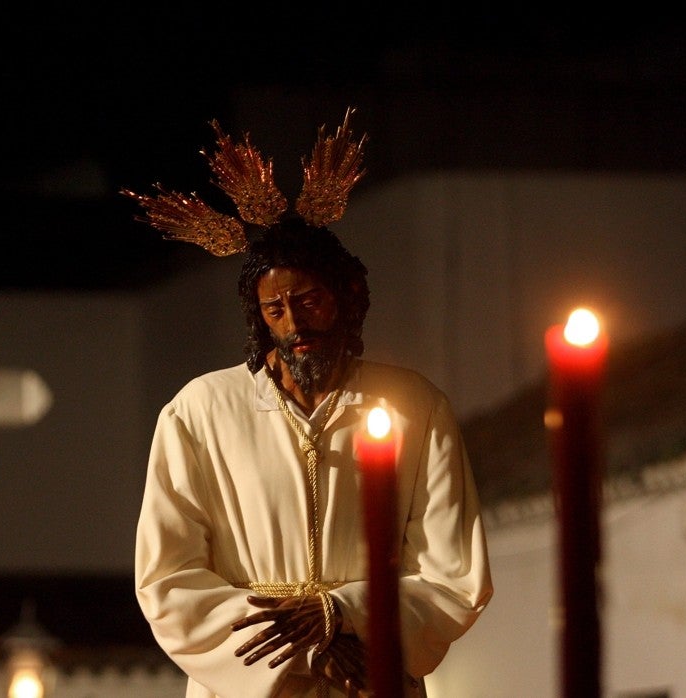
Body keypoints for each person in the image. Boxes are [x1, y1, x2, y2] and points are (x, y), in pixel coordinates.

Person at [124, 111, 493, 697]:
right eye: (276, 310)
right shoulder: (199, 414)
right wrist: (306, 648)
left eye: (310, 300)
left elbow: (452, 575)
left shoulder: (414, 408)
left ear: (346, 294)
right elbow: (168, 581)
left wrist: (343, 615)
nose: (295, 324)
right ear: (258, 316)